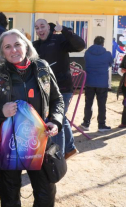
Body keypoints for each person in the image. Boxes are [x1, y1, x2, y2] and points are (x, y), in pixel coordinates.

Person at [0, 29, 63, 207]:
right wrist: (1, 111)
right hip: (9, 144)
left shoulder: (42, 68)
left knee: (46, 192)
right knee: (10, 195)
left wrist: (55, 120)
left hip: (39, 142)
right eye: (7, 47)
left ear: (26, 46)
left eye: (17, 44)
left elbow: (57, 99)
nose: (13, 50)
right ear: (1, 51)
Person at [33, 19, 85, 159]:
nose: (40, 30)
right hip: (45, 90)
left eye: (42, 26)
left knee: (55, 119)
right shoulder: (35, 45)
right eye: (37, 28)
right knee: (60, 116)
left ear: (49, 28)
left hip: (63, 89)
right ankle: (70, 148)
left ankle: (58, 157)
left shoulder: (59, 39)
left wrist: (64, 29)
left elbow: (81, 45)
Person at [81, 36, 114, 131]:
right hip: (102, 83)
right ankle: (101, 125)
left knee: (88, 103)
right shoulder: (107, 54)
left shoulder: (87, 53)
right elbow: (111, 63)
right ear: (103, 43)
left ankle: (86, 123)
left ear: (94, 42)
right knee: (102, 104)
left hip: (89, 82)